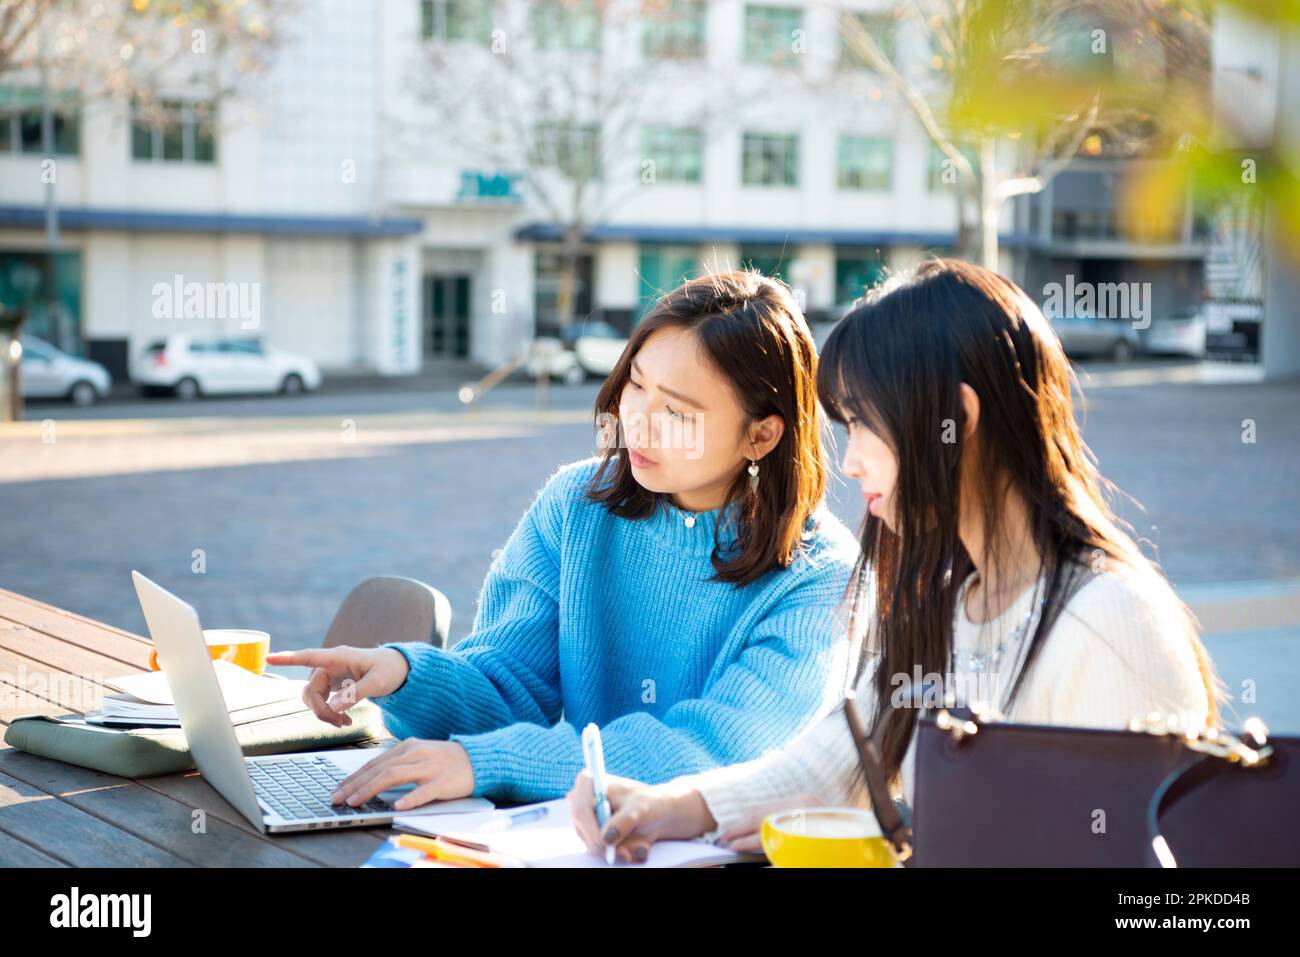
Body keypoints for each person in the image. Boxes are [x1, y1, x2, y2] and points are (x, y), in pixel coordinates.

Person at [567, 258, 1226, 862]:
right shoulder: (947, 599)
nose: (849, 461)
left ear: (957, 419)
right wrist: (673, 807)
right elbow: (842, 760)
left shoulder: (1109, 621)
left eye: (863, 423)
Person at [267, 270, 860, 809]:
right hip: (579, 839)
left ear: (761, 436)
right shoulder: (578, 504)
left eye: (678, 412)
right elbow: (508, 686)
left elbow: (714, 750)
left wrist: (493, 762)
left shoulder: (821, 572)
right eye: (636, 385)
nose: (638, 422)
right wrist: (401, 671)